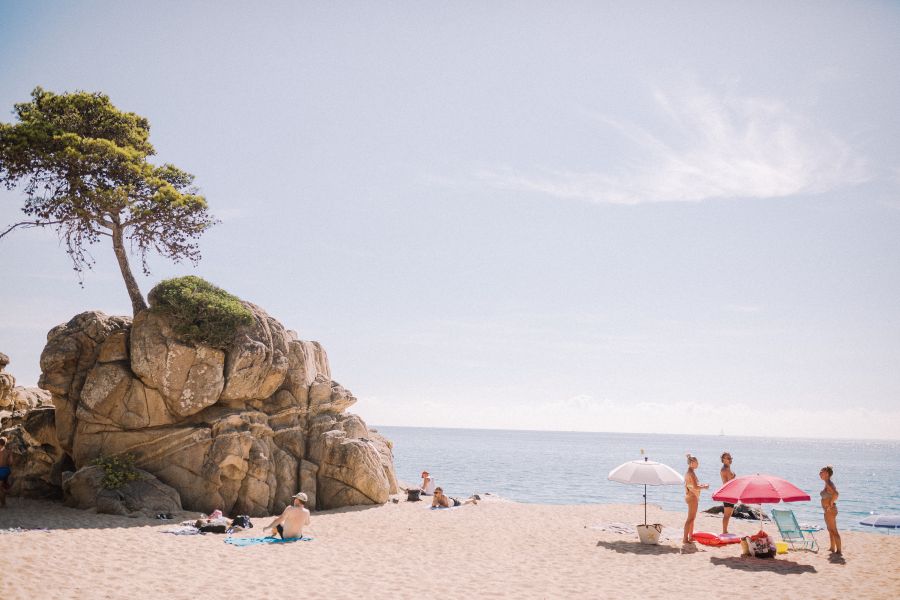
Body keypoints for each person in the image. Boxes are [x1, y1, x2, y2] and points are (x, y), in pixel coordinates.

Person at [682, 453, 709, 543]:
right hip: (692, 497)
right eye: (696, 462)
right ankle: (685, 538)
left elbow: (691, 485)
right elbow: (696, 487)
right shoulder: (691, 473)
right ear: (692, 462)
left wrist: (701, 485)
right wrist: (704, 487)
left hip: (690, 495)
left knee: (692, 518)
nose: (698, 464)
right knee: (690, 518)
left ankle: (690, 537)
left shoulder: (689, 472)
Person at [820, 465, 841, 554]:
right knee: (830, 529)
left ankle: (839, 550)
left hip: (830, 510)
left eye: (822, 471)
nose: (820, 473)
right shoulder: (827, 482)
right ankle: (832, 548)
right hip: (827, 510)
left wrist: (831, 503)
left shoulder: (829, 483)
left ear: (827, 474)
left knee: (834, 530)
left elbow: (836, 494)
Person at [720, 451, 736, 534]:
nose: (730, 459)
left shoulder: (728, 469)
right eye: (728, 458)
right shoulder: (725, 469)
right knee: (727, 514)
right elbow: (730, 482)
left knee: (729, 514)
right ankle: (724, 531)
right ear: (723, 459)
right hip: (727, 493)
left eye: (730, 458)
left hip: (731, 493)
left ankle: (725, 530)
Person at [0, 437, 11, 508]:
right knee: (1, 487)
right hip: (5, 470)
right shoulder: (8, 451)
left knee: (1, 487)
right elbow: (11, 462)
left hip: (2, 471)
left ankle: (3, 503)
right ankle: (3, 503)